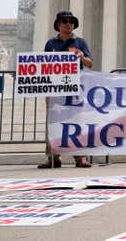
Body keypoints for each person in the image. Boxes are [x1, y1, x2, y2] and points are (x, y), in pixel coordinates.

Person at [38, 11, 93, 168]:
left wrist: (82, 57)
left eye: (71, 21)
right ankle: (53, 157)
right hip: (55, 90)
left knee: (78, 122)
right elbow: (44, 66)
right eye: (64, 21)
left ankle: (80, 157)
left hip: (75, 89)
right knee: (53, 123)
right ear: (58, 25)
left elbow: (90, 63)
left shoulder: (80, 42)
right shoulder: (51, 44)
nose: (68, 24)